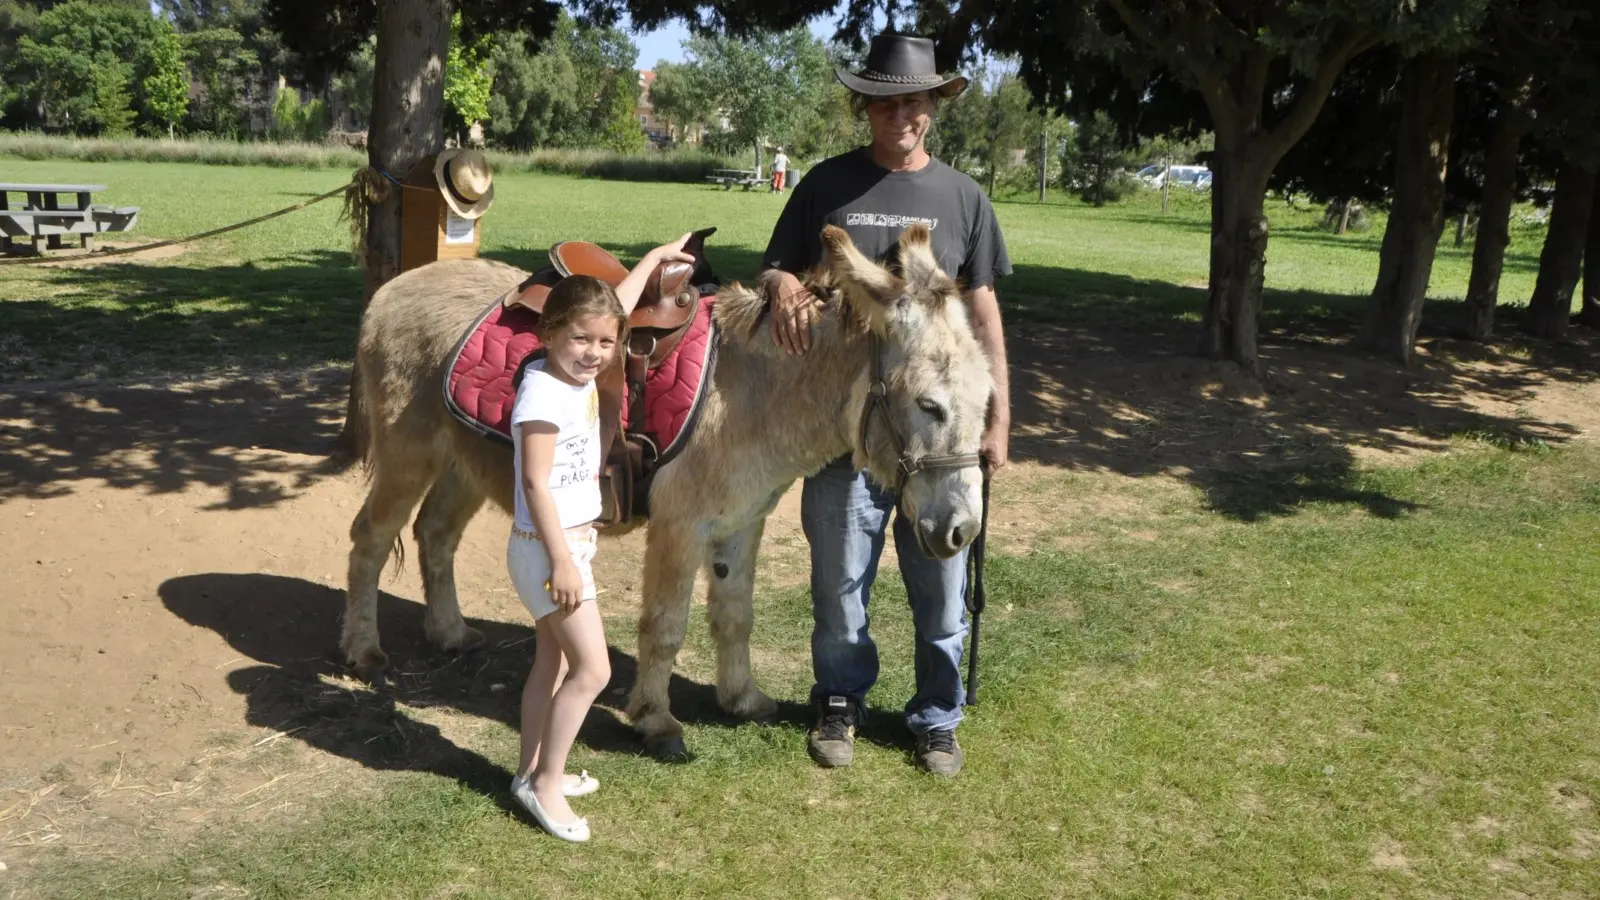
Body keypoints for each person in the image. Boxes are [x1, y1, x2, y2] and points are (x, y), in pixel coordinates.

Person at [762, 32, 1011, 778]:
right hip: (847, 432)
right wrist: (778, 286)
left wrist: (999, 417)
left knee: (942, 586)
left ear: (932, 107)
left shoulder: (963, 198)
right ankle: (840, 699)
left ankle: (937, 716)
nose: (901, 113)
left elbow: (986, 314)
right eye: (886, 101)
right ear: (865, 107)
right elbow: (777, 267)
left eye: (914, 100)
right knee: (839, 584)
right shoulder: (824, 186)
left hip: (935, 436)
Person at [508, 235, 694, 842]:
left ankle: (529, 770)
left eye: (605, 342)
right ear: (549, 333)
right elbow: (536, 482)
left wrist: (655, 257)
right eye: (580, 340)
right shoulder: (543, 394)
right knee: (593, 670)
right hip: (548, 548)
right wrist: (563, 561)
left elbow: (618, 302)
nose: (594, 353)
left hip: (557, 546)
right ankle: (546, 786)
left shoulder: (572, 369)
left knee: (552, 662)